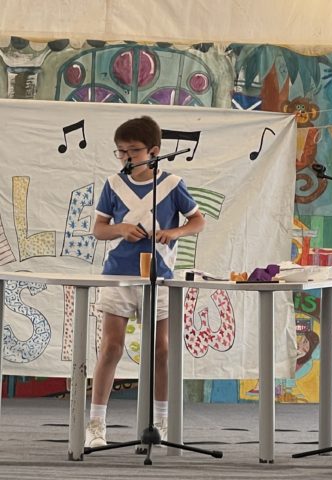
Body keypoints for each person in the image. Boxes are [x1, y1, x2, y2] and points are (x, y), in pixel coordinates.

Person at [85, 116, 205, 448]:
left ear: (154, 151)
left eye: (133, 151)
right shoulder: (113, 185)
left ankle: (161, 422)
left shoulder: (172, 184)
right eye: (121, 151)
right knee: (111, 346)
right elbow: (99, 229)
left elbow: (198, 220)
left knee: (162, 349)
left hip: (160, 276)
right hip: (118, 275)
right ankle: (96, 423)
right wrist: (120, 229)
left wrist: (175, 232)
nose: (126, 157)